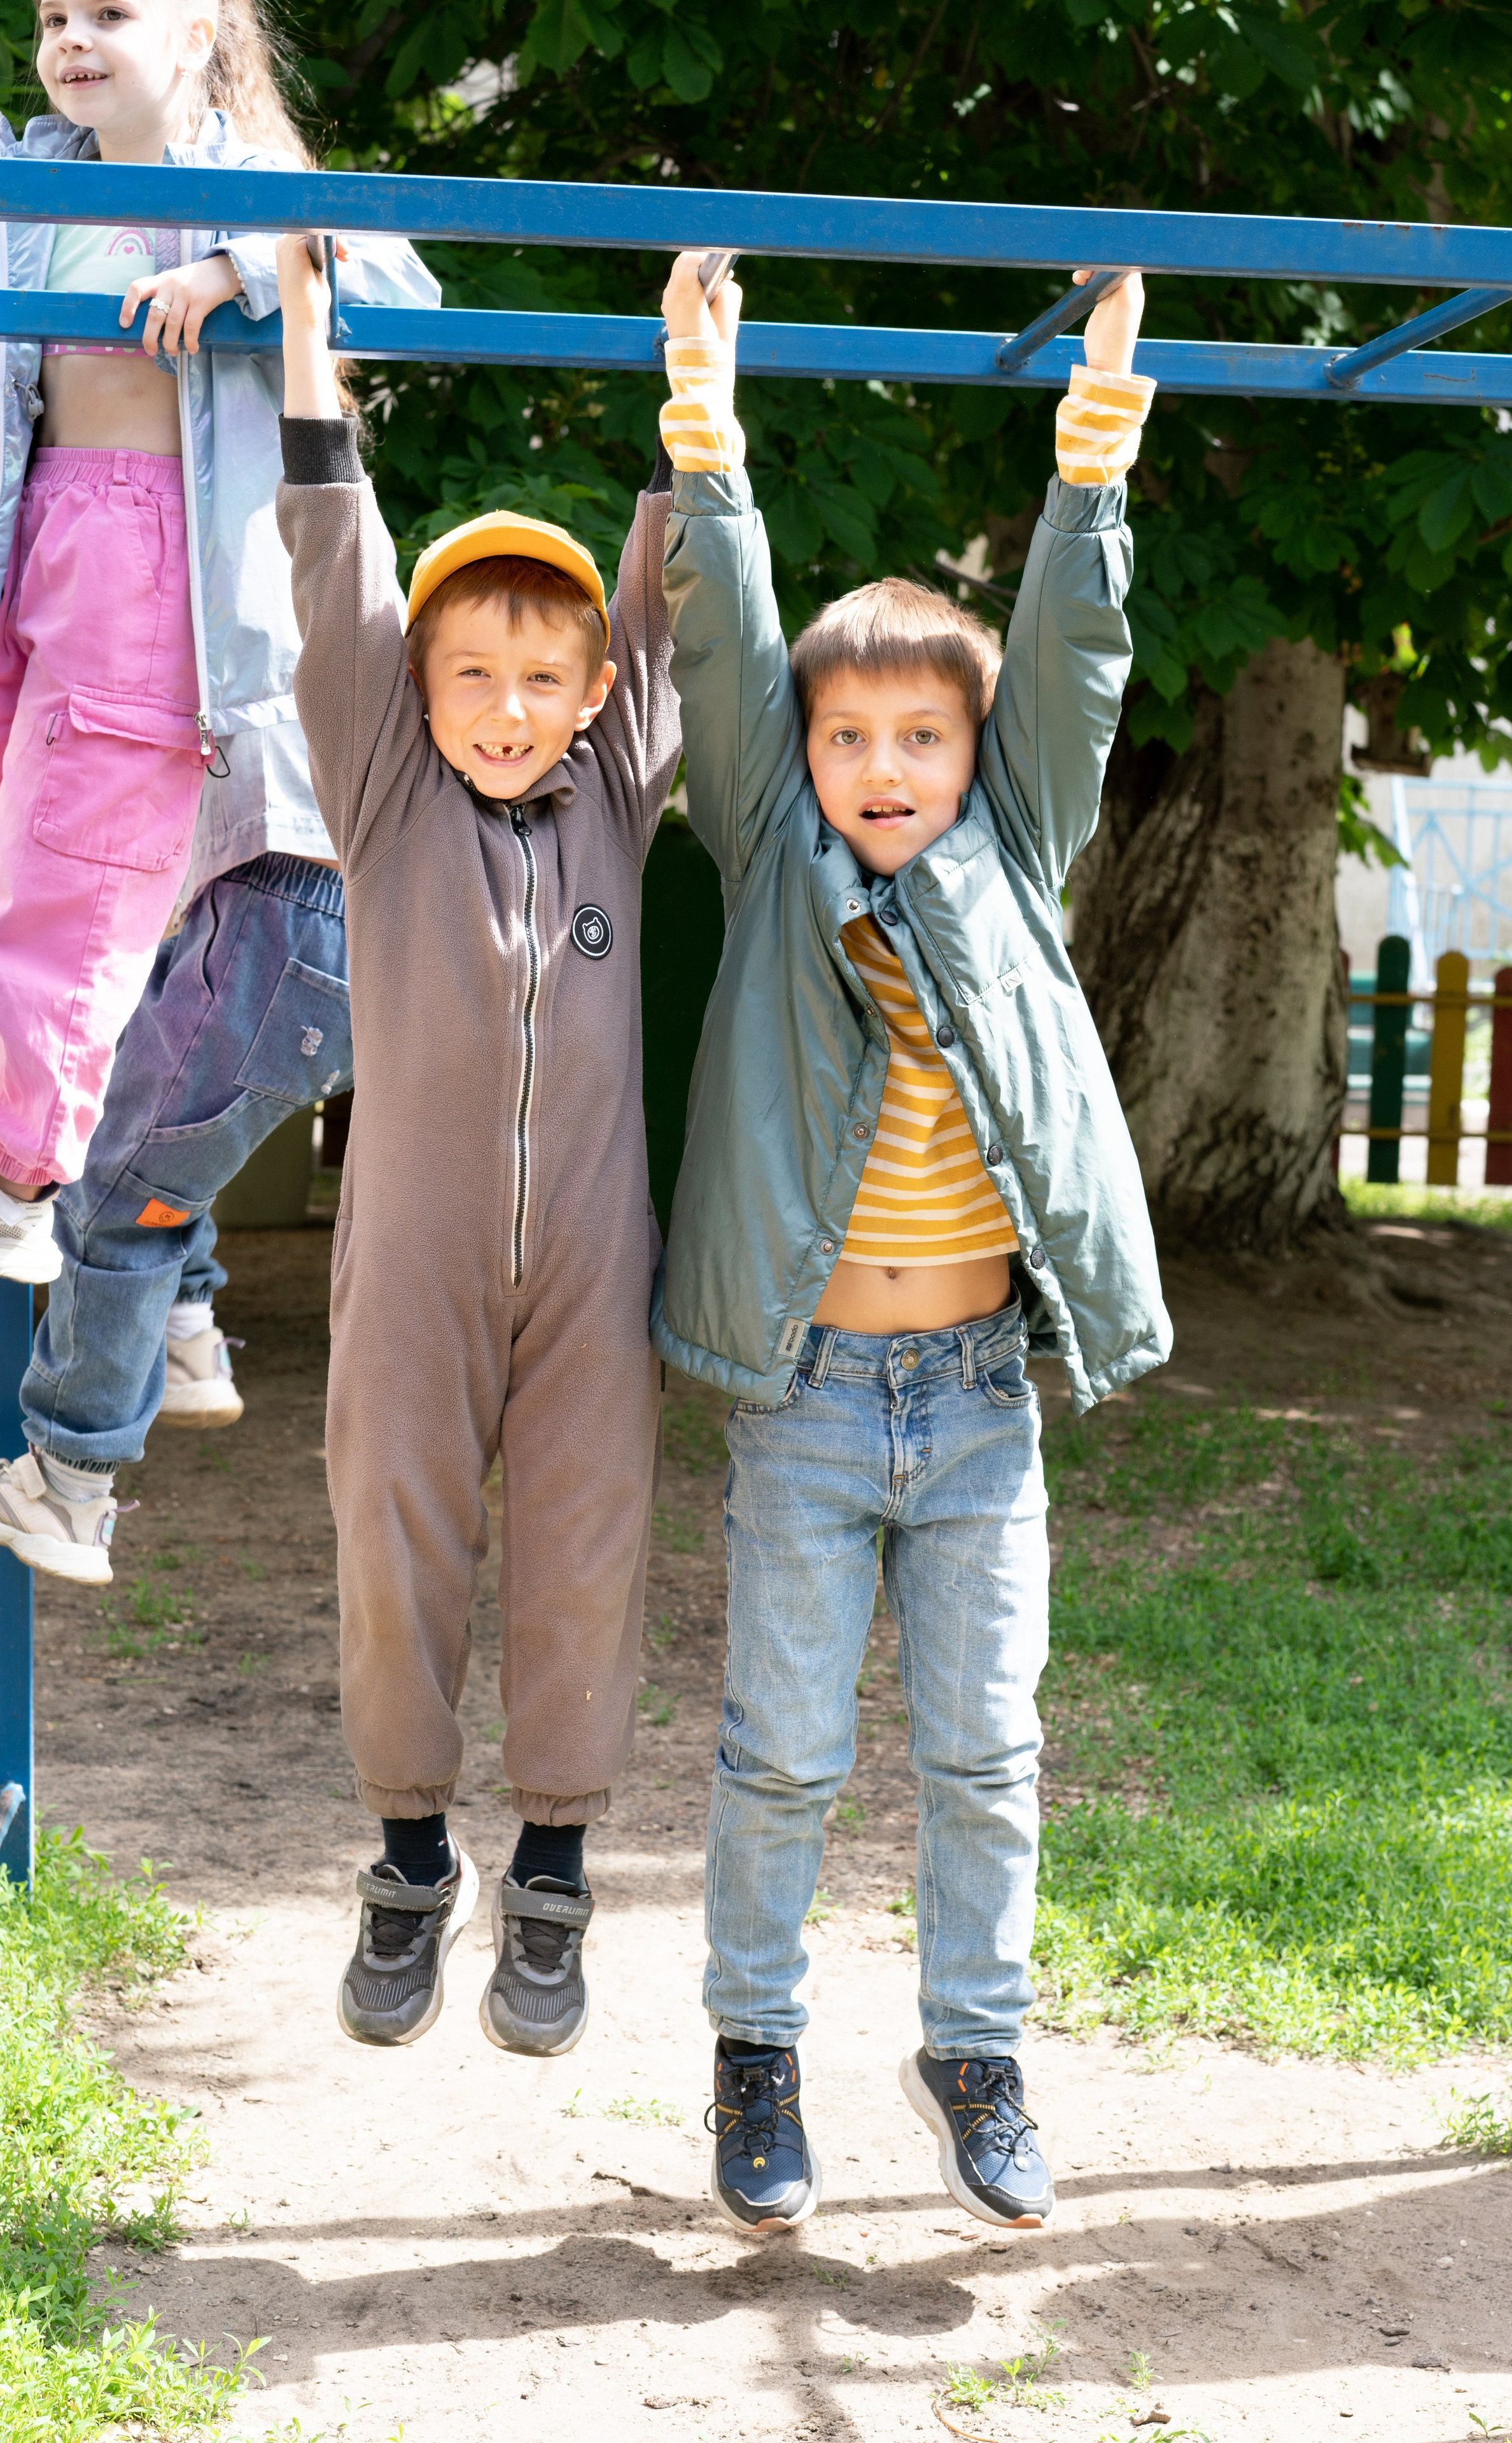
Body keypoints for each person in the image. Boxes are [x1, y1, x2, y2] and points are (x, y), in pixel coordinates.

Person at [652, 256, 1171, 2234]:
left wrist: (1094, 449)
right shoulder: (775, 847)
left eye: (921, 741)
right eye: (849, 735)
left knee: (987, 1750)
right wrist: (710, 425)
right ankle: (757, 2052)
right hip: (804, 1392)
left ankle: (977, 2048)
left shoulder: (1022, 846)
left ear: (973, 764)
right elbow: (725, 656)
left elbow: (1075, 656)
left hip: (974, 1401)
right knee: (780, 1751)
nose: (884, 765)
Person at [0, 0, 436, 1583]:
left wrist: (246, 269)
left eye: (110, 12)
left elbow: (396, 274)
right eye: (54, 15)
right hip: (26, 556)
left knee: (78, 885)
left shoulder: (243, 172)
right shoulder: (31, 182)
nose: (71, 39)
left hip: (159, 572)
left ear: (205, 31)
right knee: (7, 858)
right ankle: (171, 1301)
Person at [270, 232, 682, 2060]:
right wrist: (302, 339)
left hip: (595, 1254)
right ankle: (411, 1856)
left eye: (543, 677)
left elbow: (675, 599)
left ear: (594, 696)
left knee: (586, 1537)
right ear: (419, 688)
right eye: (473, 674)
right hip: (417, 1246)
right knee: (399, 1524)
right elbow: (333, 556)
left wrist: (695, 409)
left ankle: (555, 1878)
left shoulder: (615, 791)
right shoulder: (383, 790)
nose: (508, 708)